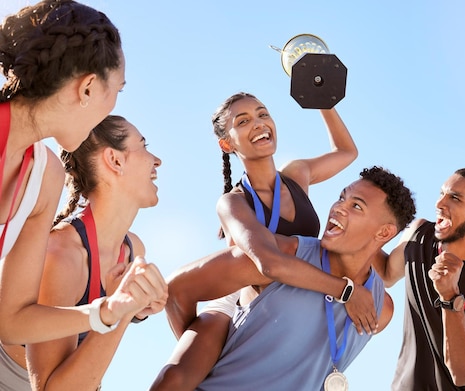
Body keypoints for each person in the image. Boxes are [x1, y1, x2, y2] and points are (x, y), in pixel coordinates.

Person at [150, 92, 378, 390]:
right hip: (241, 300)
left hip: (301, 292)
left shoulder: (297, 174)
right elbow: (268, 263)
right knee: (176, 378)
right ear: (227, 144)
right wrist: (346, 291)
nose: (258, 123)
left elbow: (347, 151)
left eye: (263, 114)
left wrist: (323, 100)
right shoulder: (232, 204)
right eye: (243, 121)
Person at [152, 166, 415, 391]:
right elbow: (177, 288)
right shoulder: (285, 254)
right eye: (341, 198)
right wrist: (204, 351)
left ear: (383, 233)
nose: (338, 208)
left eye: (356, 206)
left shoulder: (382, 310)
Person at [0, 0, 161, 351]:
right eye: (117, 90)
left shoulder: (46, 177)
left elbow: (11, 322)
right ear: (88, 88)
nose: (114, 105)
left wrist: (108, 310)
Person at [14, 115, 167, 391]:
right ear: (115, 160)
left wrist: (140, 308)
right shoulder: (62, 255)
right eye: (144, 147)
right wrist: (124, 309)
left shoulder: (132, 249)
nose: (157, 160)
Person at [374, 167, 465, 391]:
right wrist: (363, 230)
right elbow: (386, 274)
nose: (439, 203)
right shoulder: (418, 234)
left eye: (454, 198)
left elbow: (464, 374)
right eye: (441, 193)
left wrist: (450, 297)